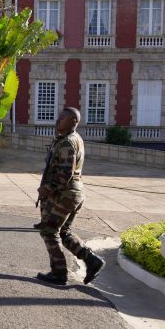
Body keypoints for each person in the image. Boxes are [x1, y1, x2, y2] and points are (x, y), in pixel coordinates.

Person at [36, 107, 105, 286]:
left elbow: (64, 175)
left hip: (65, 194)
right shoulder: (69, 139)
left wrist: (47, 189)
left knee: (49, 231)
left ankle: (59, 273)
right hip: (73, 193)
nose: (57, 120)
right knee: (64, 232)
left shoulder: (67, 143)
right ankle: (92, 261)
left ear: (73, 122)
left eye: (62, 118)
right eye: (58, 117)